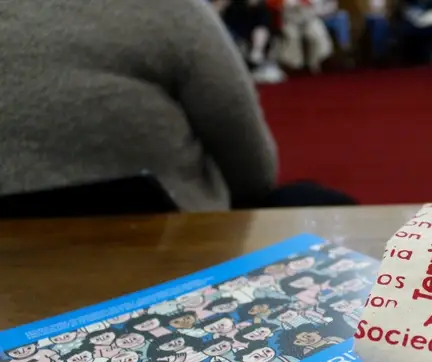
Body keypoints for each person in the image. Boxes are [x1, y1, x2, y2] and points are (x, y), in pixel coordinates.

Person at [0, 0, 355, 213]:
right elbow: (253, 169)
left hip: (14, 287)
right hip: (179, 274)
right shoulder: (170, 11)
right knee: (319, 205)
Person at [269, 0, 335, 73]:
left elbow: (320, 7)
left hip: (310, 20)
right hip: (290, 21)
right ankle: (293, 65)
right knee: (292, 36)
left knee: (315, 35)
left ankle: (314, 63)